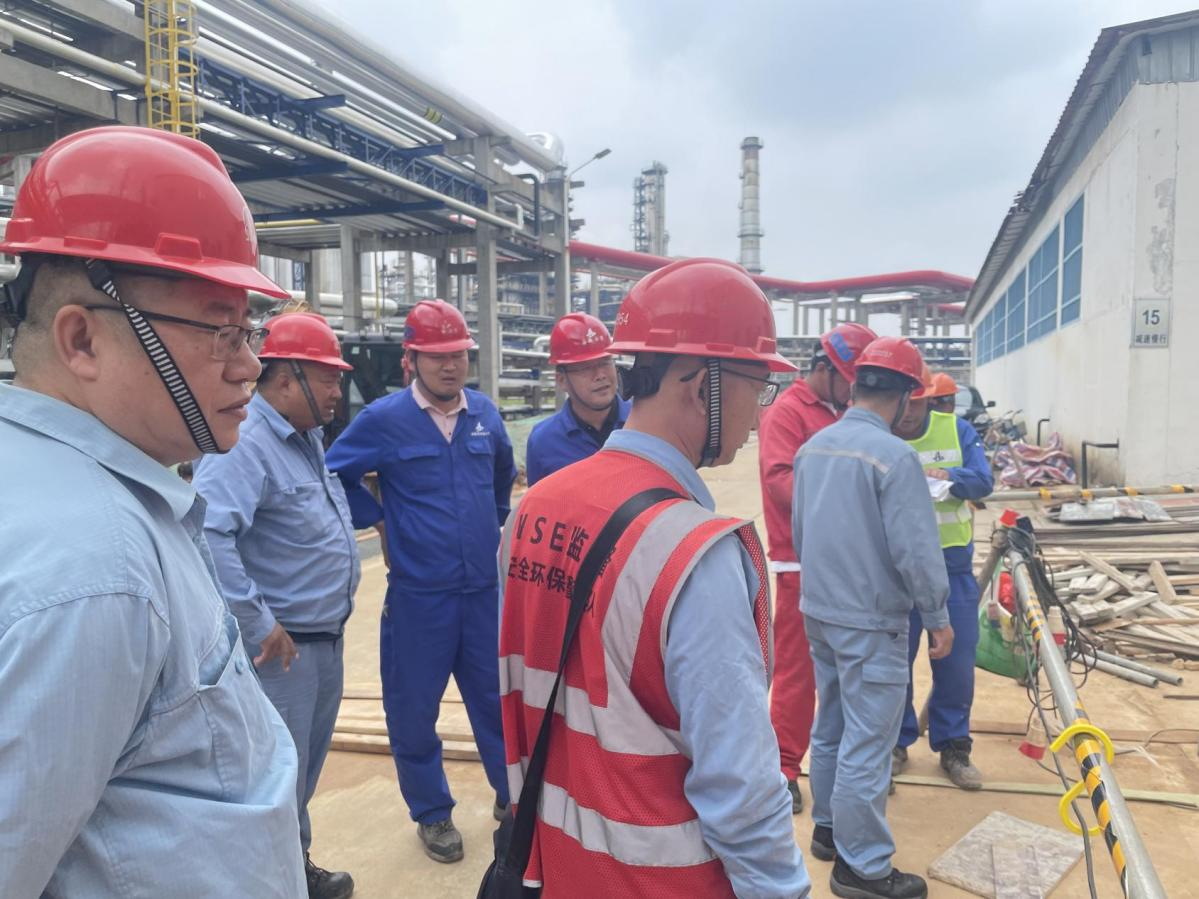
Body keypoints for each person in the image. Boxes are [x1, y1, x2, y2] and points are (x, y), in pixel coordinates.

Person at [0, 126, 305, 897]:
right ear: (82, 340)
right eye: (221, 331)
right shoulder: (95, 572)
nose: (250, 364)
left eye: (249, 330)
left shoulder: (76, 495)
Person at [500, 258, 811, 898]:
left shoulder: (532, 510)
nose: (759, 415)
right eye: (759, 386)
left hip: (557, 866)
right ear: (701, 386)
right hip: (664, 880)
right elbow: (742, 787)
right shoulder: (695, 554)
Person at [325, 299, 516, 864]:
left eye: (457, 354)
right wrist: (379, 518)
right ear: (412, 359)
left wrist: (489, 524)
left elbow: (502, 475)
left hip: (482, 594)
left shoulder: (485, 415)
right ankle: (432, 812)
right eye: (437, 356)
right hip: (419, 597)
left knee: (498, 702)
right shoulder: (384, 420)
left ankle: (511, 795)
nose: (450, 366)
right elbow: (333, 473)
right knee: (413, 711)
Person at [193, 312, 360, 898]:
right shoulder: (247, 443)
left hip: (323, 640)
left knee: (301, 771)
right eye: (329, 378)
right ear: (286, 378)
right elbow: (210, 533)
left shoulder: (307, 438)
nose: (338, 391)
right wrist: (259, 623)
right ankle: (268, 881)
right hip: (281, 653)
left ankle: (294, 866)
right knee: (273, 775)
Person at [793, 336, 952, 899]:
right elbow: (916, 549)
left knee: (832, 727)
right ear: (906, 396)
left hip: (821, 611)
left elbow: (800, 533)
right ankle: (861, 867)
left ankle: (829, 831)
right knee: (868, 742)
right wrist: (937, 614)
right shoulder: (894, 457)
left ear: (857, 384)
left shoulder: (813, 449)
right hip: (871, 620)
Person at [758, 321, 876, 813]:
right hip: (801, 563)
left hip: (850, 562)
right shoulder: (788, 412)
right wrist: (847, 500)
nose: (854, 391)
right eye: (849, 380)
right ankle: (784, 768)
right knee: (797, 673)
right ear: (823, 369)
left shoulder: (847, 413)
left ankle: (847, 767)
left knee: (851, 672)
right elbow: (780, 481)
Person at [890, 370, 992, 791]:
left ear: (928, 400)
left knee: (956, 662)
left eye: (919, 402)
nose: (909, 411)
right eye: (906, 402)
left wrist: (949, 478)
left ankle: (954, 746)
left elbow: (983, 481)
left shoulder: (957, 430)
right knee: (894, 663)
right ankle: (895, 743)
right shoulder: (883, 436)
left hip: (952, 569)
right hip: (897, 572)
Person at [525, 311, 630, 485]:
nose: (600, 375)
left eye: (605, 362)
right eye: (585, 368)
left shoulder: (644, 423)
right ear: (561, 380)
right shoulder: (544, 441)